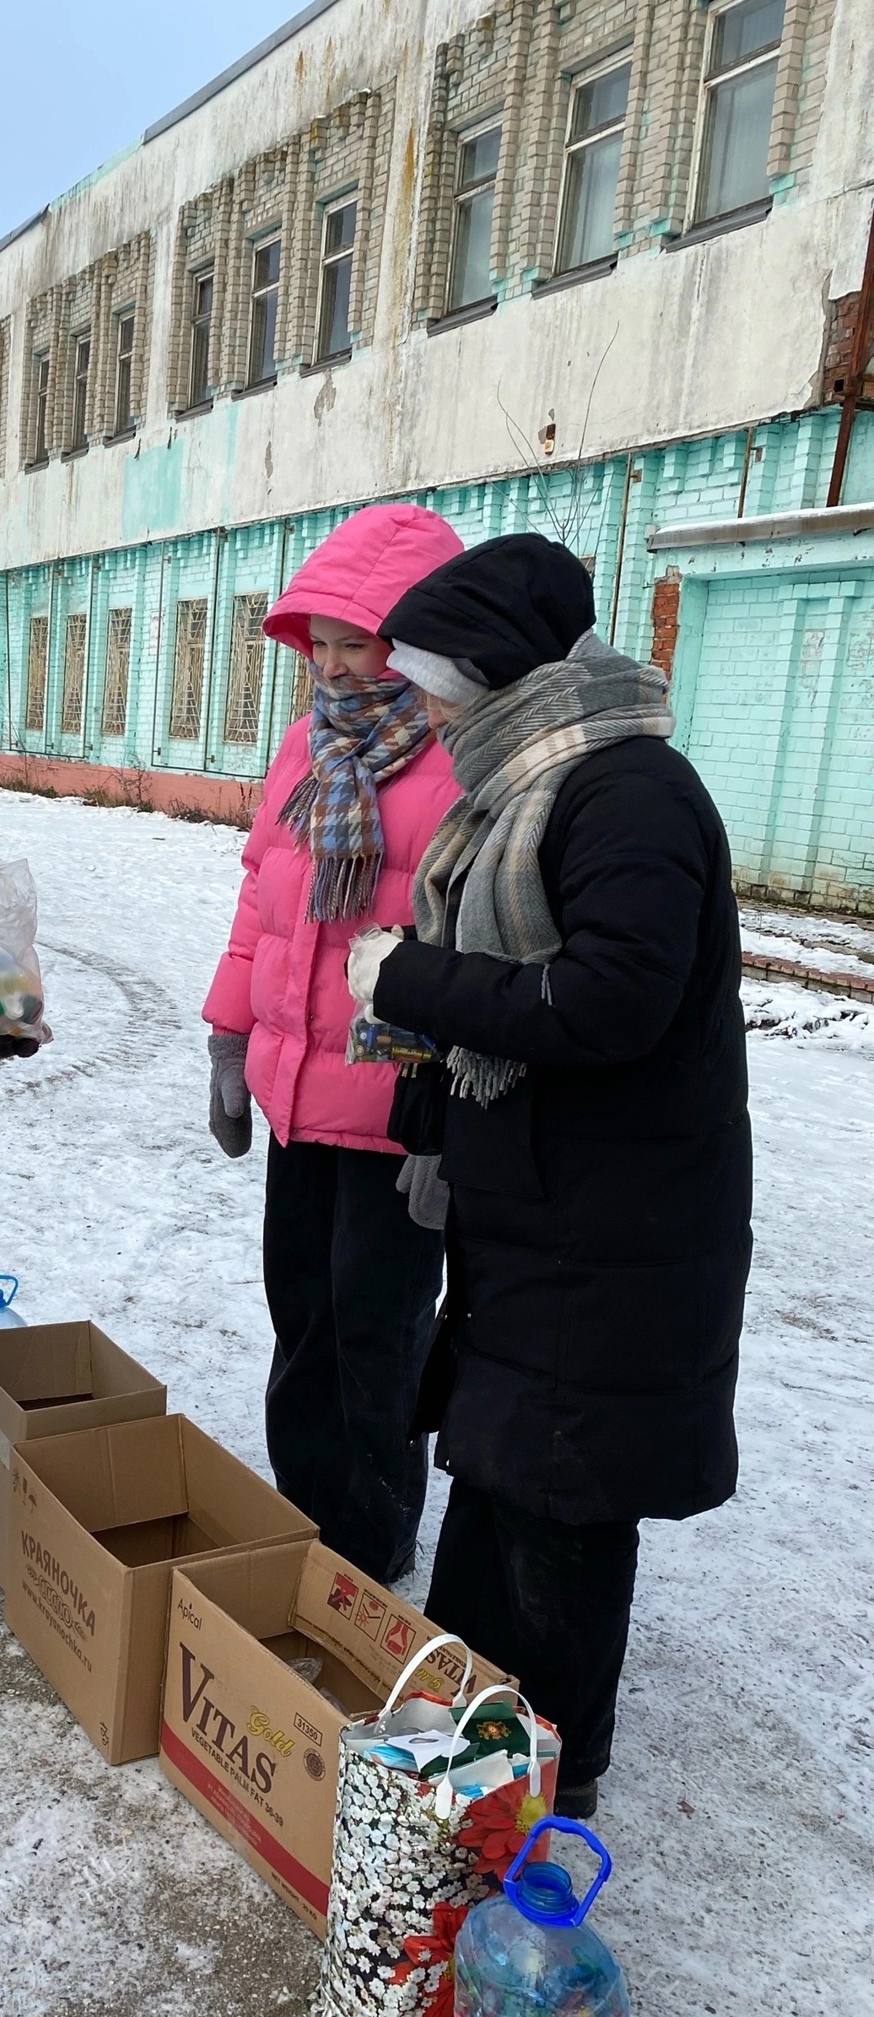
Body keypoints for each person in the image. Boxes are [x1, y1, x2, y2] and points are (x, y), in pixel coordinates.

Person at [348, 533, 751, 1816]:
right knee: (506, 1473)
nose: (416, 702)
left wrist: (405, 978)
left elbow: (609, 1002)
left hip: (616, 1230)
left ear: (491, 671)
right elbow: (517, 999)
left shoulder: (625, 791)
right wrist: (428, 1107)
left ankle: (546, 1789)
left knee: (566, 1501)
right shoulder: (527, 781)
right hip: (540, 1215)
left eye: (427, 677)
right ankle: (472, 1740)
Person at [203, 502, 465, 1585]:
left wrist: (452, 1117)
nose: (337, 664)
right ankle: (298, 1517)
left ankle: (368, 1546)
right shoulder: (308, 749)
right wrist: (228, 1037)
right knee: (301, 1318)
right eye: (321, 642)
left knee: (380, 1334)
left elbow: (478, 945)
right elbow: (266, 901)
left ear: (414, 642)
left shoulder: (460, 759)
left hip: (396, 1105)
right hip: (297, 1094)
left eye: (359, 641)